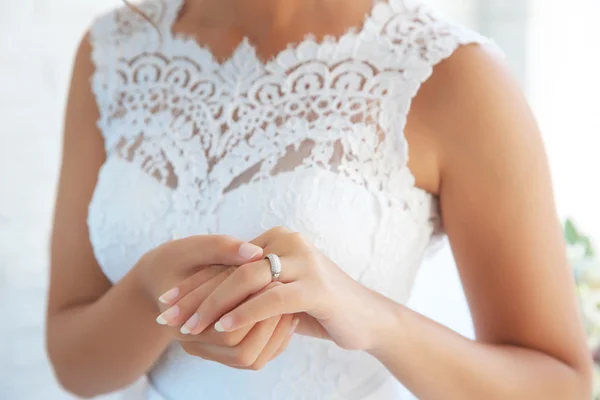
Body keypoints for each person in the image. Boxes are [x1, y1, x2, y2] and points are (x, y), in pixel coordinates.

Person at [46, 0, 593, 398]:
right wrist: (148, 293)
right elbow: (75, 368)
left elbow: (561, 386)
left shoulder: (451, 72)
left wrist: (371, 318)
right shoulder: (113, 52)